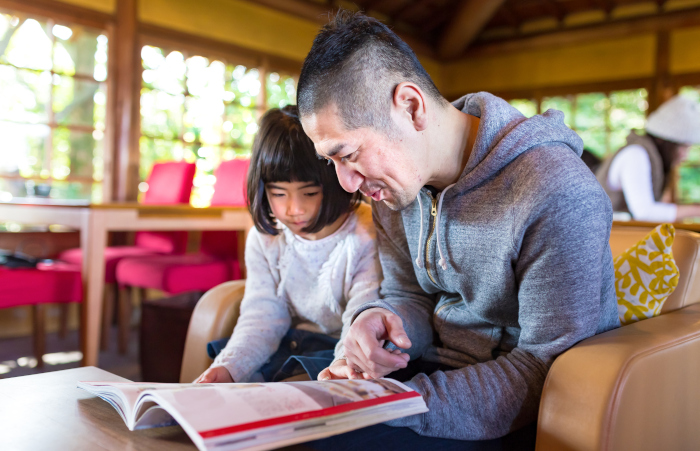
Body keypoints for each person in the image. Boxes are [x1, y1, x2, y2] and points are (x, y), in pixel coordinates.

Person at [296, 11, 619, 447]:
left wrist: (400, 402)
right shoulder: (395, 188)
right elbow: (408, 295)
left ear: (410, 107)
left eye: (348, 154)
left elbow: (546, 369)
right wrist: (378, 319)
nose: (346, 183)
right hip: (427, 381)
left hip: (514, 410)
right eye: (330, 162)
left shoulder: (556, 190)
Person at [195, 105, 382, 384]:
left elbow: (363, 312)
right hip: (286, 342)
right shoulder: (265, 239)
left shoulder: (365, 232)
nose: (294, 209)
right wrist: (229, 367)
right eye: (279, 193)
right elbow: (263, 316)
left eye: (309, 192)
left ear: (333, 181)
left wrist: (344, 362)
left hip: (340, 349)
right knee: (228, 375)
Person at [597, 95, 700, 222]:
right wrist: (696, 210)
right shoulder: (635, 154)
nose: (686, 155)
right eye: (684, 147)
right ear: (664, 141)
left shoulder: (651, 157)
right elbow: (644, 212)